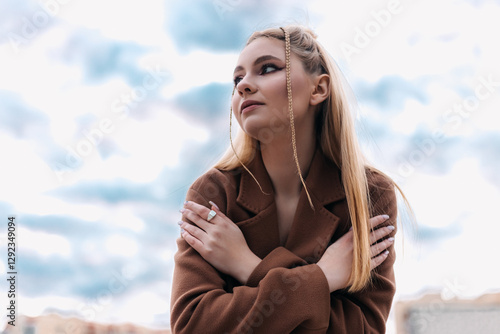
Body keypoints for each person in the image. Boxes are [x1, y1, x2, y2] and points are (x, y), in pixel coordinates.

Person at [170, 25, 410, 333]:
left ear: (318, 89)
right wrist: (323, 277)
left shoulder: (368, 193)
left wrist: (247, 265)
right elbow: (194, 325)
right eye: (237, 78)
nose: (243, 86)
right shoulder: (214, 192)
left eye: (267, 68)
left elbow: (361, 328)